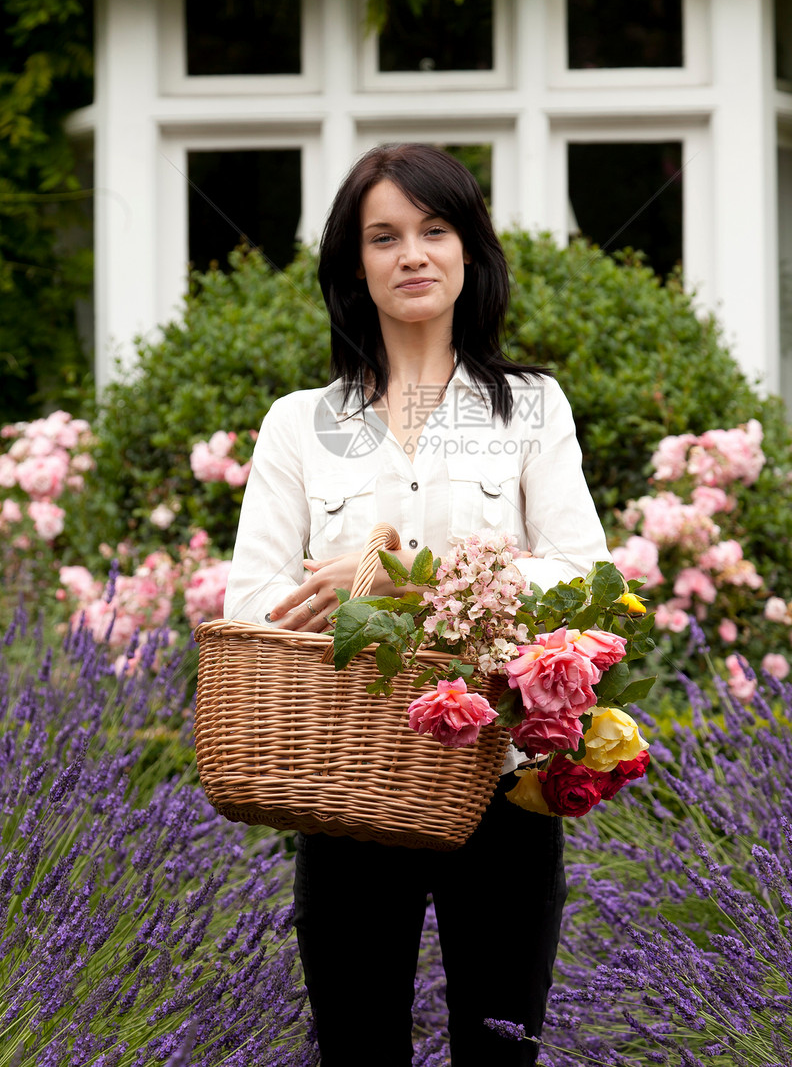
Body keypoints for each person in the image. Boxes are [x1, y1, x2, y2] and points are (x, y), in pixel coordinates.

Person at [223, 143, 609, 1066]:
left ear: (469, 249)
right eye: (384, 236)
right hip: (342, 781)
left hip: (499, 783)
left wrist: (410, 580)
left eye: (435, 230)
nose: (413, 254)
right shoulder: (298, 425)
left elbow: (587, 579)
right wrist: (455, 586)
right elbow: (252, 603)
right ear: (356, 266)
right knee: (356, 1050)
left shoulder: (530, 410)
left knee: (499, 1047)